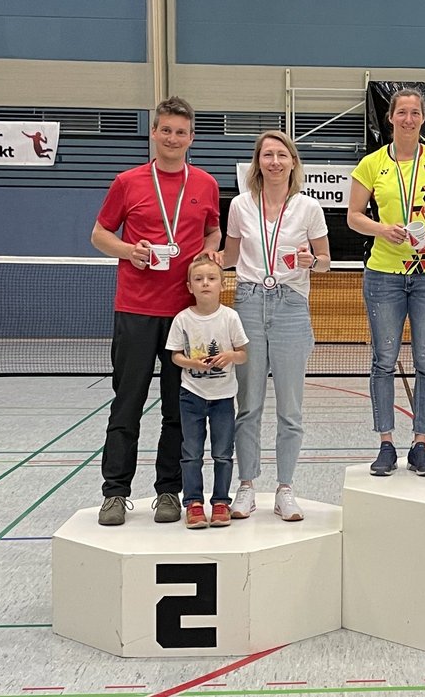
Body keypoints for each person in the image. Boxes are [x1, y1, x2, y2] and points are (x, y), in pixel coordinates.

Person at [92, 96, 222, 527]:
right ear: (153, 133)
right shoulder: (127, 182)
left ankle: (169, 490)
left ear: (191, 138)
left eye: (180, 132)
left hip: (186, 316)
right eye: (165, 130)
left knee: (177, 408)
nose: (172, 138)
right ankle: (115, 493)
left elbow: (214, 231)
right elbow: (99, 234)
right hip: (135, 310)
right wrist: (130, 250)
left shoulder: (205, 184)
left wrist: (209, 252)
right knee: (126, 403)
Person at [348, 88, 425, 477]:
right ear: (390, 118)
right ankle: (386, 443)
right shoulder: (372, 164)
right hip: (384, 276)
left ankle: (420, 443)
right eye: (402, 113)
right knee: (384, 359)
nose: (408, 119)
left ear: (423, 118)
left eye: (415, 113)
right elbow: (354, 216)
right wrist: (382, 229)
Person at [223, 130, 330, 521]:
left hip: (291, 306)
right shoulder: (239, 205)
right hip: (249, 303)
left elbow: (325, 261)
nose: (274, 162)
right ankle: (246, 486)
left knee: (290, 409)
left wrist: (311, 261)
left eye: (282, 155)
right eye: (267, 155)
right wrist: (196, 258)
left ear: (292, 162)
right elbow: (228, 257)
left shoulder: (308, 207)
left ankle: (285, 488)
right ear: (258, 163)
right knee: (248, 406)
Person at [166, 254, 249, 529]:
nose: (205, 283)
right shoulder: (182, 319)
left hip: (223, 397)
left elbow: (243, 354)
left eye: (211, 278)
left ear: (222, 284)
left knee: (223, 453)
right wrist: (192, 363)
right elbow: (175, 356)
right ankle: (193, 504)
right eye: (198, 279)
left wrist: (229, 356)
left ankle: (221, 502)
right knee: (191, 453)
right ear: (189, 286)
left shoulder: (230, 317)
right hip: (191, 395)